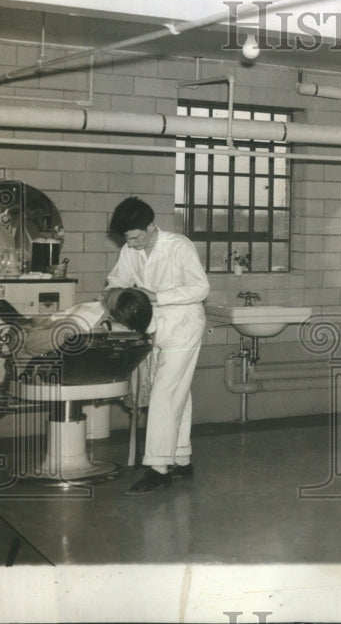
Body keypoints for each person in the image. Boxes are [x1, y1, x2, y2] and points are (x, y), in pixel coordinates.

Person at [106, 197, 210, 496]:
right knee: (177, 390)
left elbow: (201, 288)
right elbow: (116, 279)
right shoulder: (130, 249)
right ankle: (181, 457)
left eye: (136, 237)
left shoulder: (179, 246)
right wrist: (117, 294)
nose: (133, 245)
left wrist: (156, 296)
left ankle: (158, 468)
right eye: (128, 239)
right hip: (154, 326)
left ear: (151, 227)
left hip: (183, 325)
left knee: (165, 392)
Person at [0, 288, 153, 357]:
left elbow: (32, 346)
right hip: (100, 372)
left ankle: (18, 325)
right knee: (45, 321)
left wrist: (16, 338)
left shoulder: (79, 323)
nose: (104, 292)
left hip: (50, 359)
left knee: (27, 332)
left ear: (112, 313)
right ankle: (25, 322)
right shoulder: (132, 332)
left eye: (107, 296)